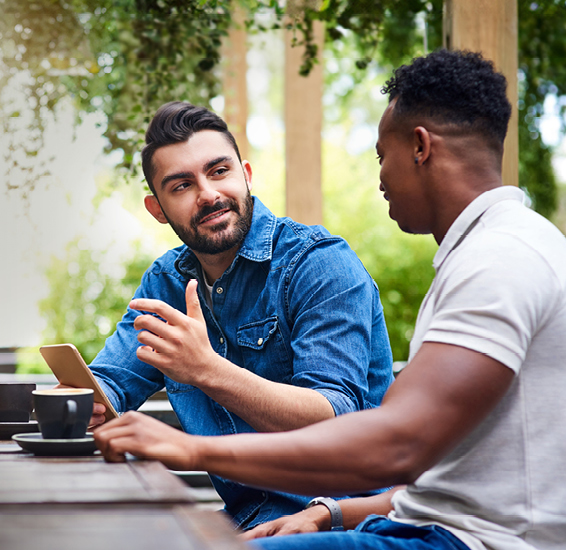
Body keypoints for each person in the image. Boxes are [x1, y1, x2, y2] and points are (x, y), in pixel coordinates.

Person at [91, 50, 566, 550]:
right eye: (182, 185)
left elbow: (397, 447)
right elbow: (447, 478)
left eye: (381, 156)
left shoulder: (502, 259)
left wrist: (191, 448)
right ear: (157, 206)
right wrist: (328, 513)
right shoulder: (489, 250)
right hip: (436, 528)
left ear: (420, 147)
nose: (380, 179)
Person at [67, 101, 396, 529]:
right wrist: (87, 401)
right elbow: (113, 380)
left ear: (246, 175)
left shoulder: (318, 264)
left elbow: (331, 414)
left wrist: (207, 370)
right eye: (182, 185)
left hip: (338, 518)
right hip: (242, 518)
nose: (208, 194)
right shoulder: (166, 280)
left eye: (219, 172)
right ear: (158, 209)